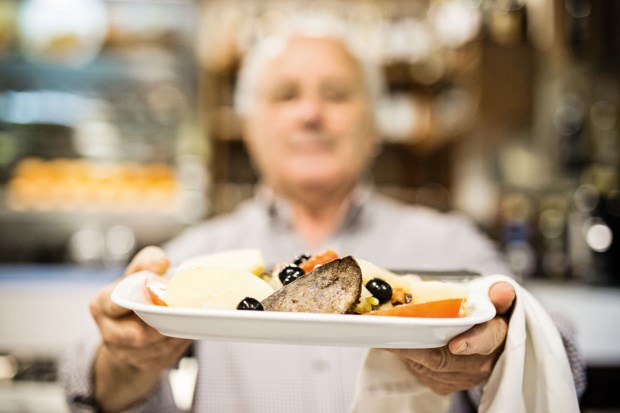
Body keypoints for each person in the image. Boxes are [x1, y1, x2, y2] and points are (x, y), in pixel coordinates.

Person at [61, 19, 585, 413]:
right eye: (286, 95)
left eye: (336, 95)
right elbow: (81, 384)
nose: (311, 113)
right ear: (250, 126)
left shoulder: (448, 243)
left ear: (374, 125)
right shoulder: (199, 255)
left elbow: (564, 358)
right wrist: (125, 362)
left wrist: (502, 352)